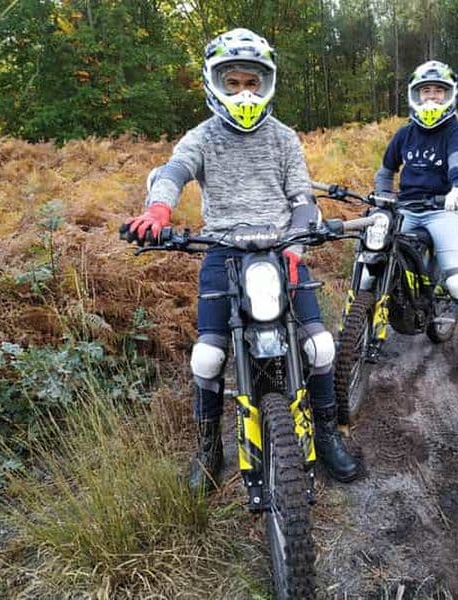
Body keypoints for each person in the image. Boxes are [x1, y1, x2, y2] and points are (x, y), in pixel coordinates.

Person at [124, 28, 360, 493]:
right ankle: (209, 447)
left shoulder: (284, 138)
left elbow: (302, 198)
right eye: (232, 83)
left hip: (282, 251)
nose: (243, 93)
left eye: (252, 82)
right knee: (208, 357)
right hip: (222, 253)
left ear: (267, 83)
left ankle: (328, 433)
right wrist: (158, 209)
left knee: (321, 347)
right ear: (214, 83)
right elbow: (175, 171)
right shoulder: (202, 136)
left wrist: (297, 243)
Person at [374, 60, 458, 383]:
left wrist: (457, 186)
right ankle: (360, 332)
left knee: (456, 282)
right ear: (415, 95)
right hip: (407, 211)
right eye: (426, 92)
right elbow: (386, 170)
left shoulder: (454, 130)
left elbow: (457, 159)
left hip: (441, 211)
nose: (432, 99)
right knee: (378, 265)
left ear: (449, 96)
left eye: (439, 92)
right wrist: (383, 198)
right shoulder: (404, 134)